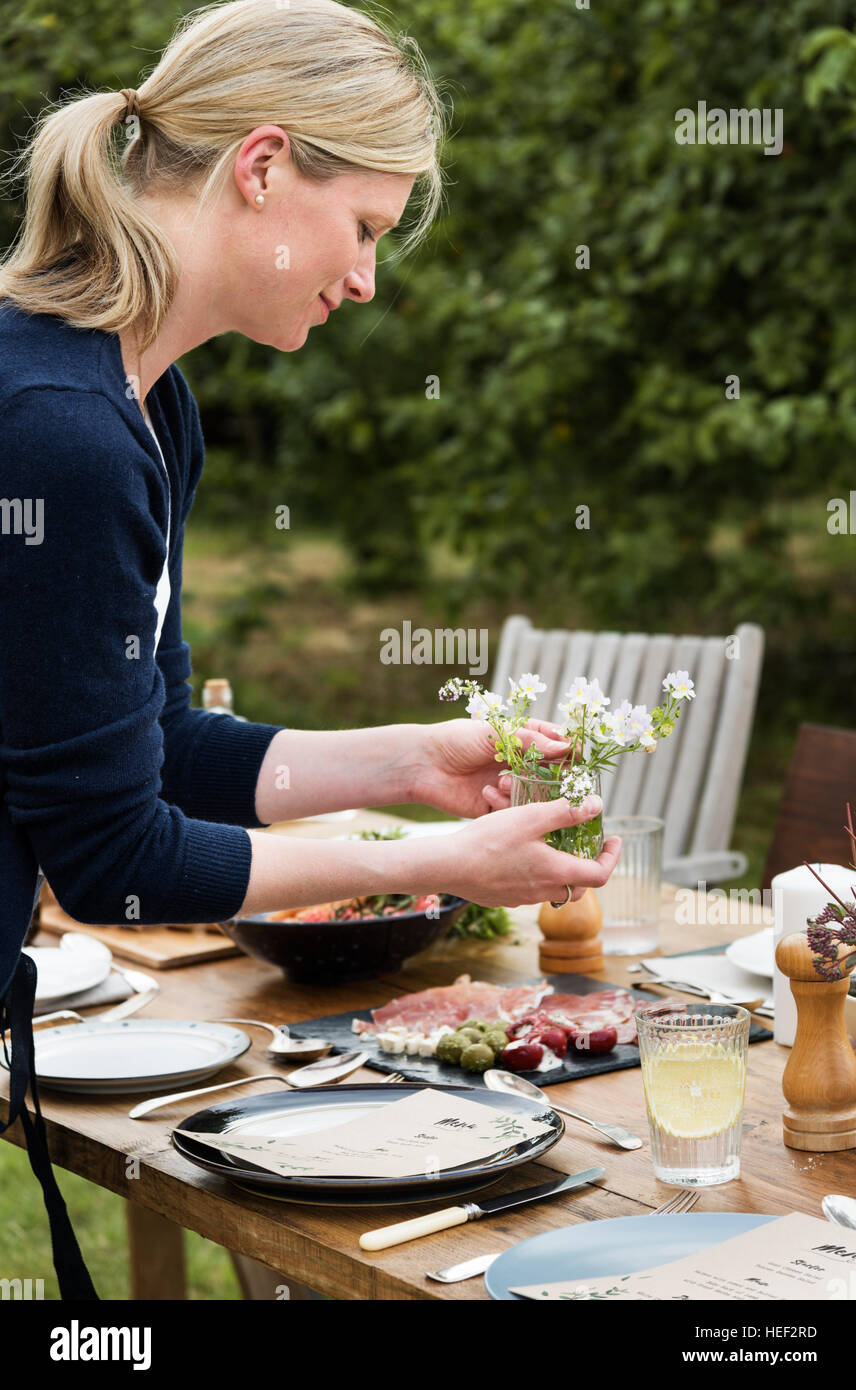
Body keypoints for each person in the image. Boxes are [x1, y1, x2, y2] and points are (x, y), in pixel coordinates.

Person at [0, 0, 620, 1297]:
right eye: (366, 229)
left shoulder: (148, 405)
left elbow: (159, 751)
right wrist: (445, 860)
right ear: (266, 166)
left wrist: (414, 762)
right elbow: (115, 861)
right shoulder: (58, 429)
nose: (366, 279)